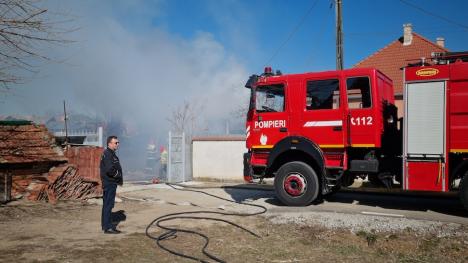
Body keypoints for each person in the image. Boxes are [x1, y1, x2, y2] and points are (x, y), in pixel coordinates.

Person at [100, 135, 123, 234]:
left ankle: (107, 225)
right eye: (116, 142)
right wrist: (118, 175)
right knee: (108, 205)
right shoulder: (108, 154)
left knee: (108, 205)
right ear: (109, 144)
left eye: (118, 142)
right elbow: (110, 169)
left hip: (111, 183)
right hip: (109, 183)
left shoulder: (111, 153)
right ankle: (108, 227)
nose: (118, 144)